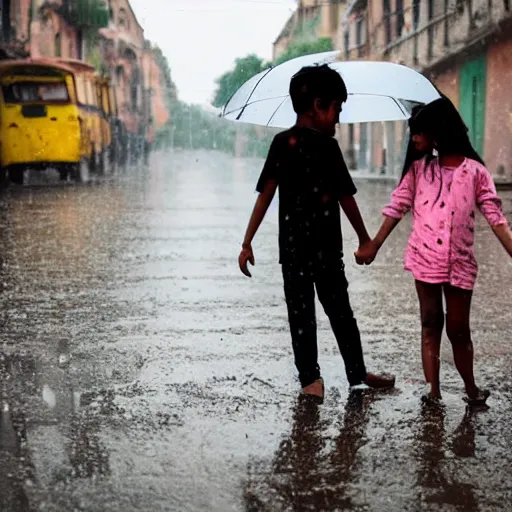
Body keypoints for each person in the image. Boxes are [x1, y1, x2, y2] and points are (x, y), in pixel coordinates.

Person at [237, 64, 395, 399]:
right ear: (318, 105)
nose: (338, 118)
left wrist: (247, 241)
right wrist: (365, 239)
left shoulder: (283, 143)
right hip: (323, 250)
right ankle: (353, 373)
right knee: (339, 313)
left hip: (295, 249)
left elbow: (266, 193)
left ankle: (314, 380)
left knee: (302, 315)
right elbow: (345, 198)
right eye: (337, 108)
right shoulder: (326, 147)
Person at [355, 96, 512, 405]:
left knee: (458, 330)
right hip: (423, 259)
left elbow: (496, 219)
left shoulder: (475, 172)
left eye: (419, 131)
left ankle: (470, 389)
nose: (413, 138)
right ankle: (434, 390)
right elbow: (397, 207)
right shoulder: (418, 170)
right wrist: (373, 244)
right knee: (429, 322)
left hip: (460, 263)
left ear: (438, 131)